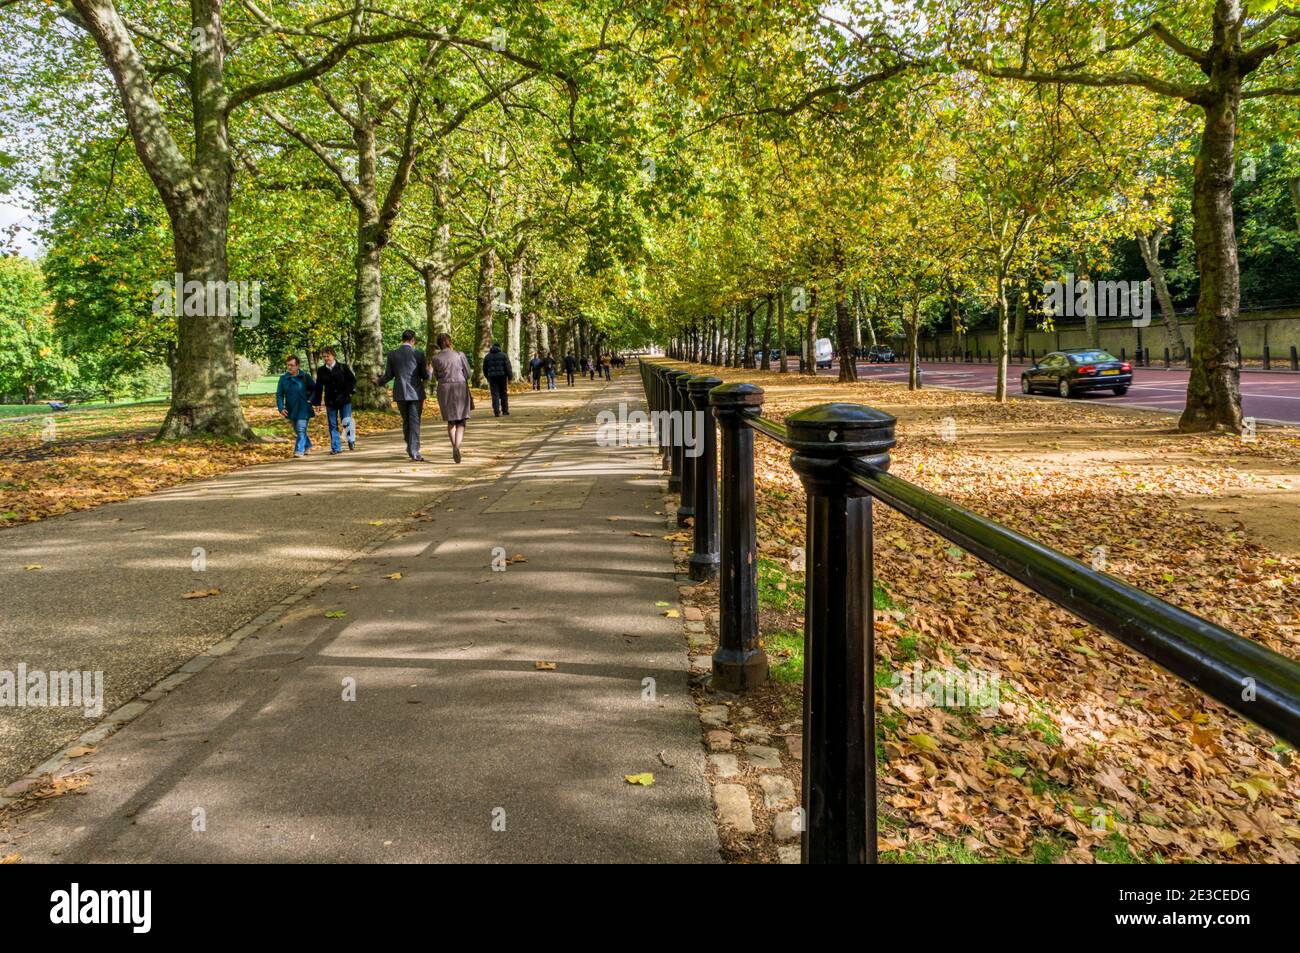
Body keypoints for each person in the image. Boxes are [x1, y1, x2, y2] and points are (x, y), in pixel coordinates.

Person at [378, 329, 430, 461]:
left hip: (400, 392)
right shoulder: (418, 354)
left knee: (406, 421)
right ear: (413, 340)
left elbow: (389, 375)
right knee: (414, 421)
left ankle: (410, 445)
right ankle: (414, 450)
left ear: (402, 339)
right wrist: (430, 371)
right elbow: (425, 376)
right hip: (416, 393)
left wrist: (378, 381)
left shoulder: (393, 354)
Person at [430, 332, 472, 463]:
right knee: (461, 420)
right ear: (449, 342)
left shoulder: (435, 358)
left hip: (444, 388)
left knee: (451, 420)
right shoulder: (460, 355)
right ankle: (456, 446)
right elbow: (468, 373)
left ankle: (454, 445)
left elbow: (436, 375)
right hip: (459, 387)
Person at [313, 346, 357, 454]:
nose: (326, 358)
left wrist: (350, 391)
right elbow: (318, 387)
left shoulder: (343, 367)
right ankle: (336, 448)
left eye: (328, 356)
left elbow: (352, 380)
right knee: (332, 425)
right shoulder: (321, 370)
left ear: (333, 355)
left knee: (346, 422)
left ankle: (351, 439)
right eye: (324, 357)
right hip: (330, 401)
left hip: (344, 399)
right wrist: (317, 403)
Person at [276, 354, 316, 458]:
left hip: (304, 408)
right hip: (291, 409)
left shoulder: (305, 377)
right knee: (297, 430)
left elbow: (315, 389)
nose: (289, 367)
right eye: (288, 365)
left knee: (301, 429)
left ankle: (299, 450)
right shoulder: (283, 379)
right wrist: (281, 407)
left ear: (297, 366)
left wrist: (311, 400)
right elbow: (279, 394)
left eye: (292, 365)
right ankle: (308, 445)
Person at [482, 341, 512, 417]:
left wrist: (487, 377)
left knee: (495, 394)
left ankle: (496, 411)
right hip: (502, 377)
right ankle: (505, 411)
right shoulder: (504, 355)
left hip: (492, 378)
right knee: (503, 393)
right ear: (499, 347)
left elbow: (484, 368)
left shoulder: (487, 356)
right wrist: (510, 377)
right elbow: (508, 367)